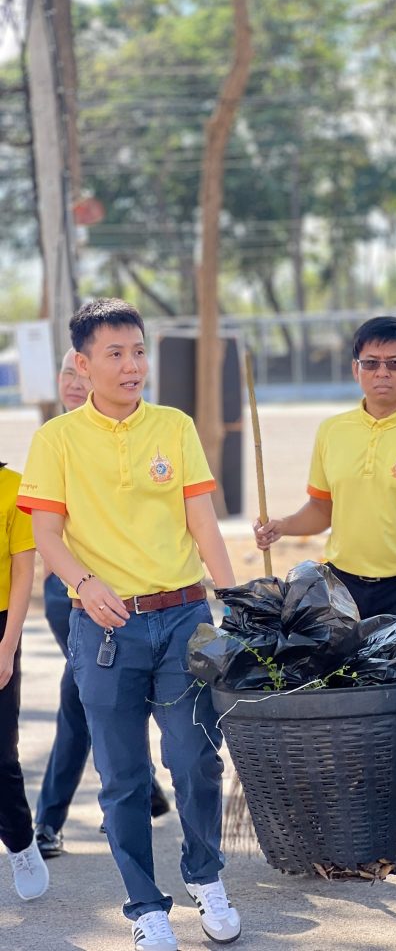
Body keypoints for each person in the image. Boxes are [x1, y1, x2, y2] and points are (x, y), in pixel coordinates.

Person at [19, 298, 240, 951]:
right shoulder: (56, 439)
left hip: (184, 618)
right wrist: (84, 585)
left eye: (138, 351)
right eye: (115, 353)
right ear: (83, 364)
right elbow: (48, 535)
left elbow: (204, 524)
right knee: (123, 777)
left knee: (195, 758)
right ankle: (145, 906)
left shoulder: (175, 426)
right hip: (104, 630)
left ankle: (206, 875)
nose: (131, 365)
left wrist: (235, 604)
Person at [35, 349, 170, 860]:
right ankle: (52, 821)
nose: (73, 382)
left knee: (105, 694)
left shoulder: (145, 432)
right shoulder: (56, 440)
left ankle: (134, 783)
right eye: (66, 373)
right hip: (71, 594)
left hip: (140, 594)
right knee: (81, 696)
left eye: (80, 373)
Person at [254, 316, 396, 620]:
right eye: (370, 363)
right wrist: (282, 526)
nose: (382, 372)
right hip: (339, 589)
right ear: (356, 369)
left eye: (395, 363)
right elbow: (321, 510)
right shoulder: (331, 431)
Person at [1, 461, 49, 901]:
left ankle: (20, 842)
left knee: (0, 752)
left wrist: (7, 644)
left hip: (1, 627)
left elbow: (23, 572)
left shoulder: (12, 487)